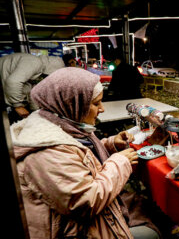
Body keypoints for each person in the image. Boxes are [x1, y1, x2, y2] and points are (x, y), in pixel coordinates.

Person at [11, 67, 160, 238]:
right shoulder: (45, 152)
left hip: (79, 222)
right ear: (71, 103)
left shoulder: (59, 121)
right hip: (75, 231)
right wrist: (119, 162)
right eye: (96, 103)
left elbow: (78, 154)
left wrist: (111, 145)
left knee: (145, 206)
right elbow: (85, 201)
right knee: (152, 231)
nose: (102, 109)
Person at [0, 52, 64, 123]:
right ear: (50, 70)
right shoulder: (34, 63)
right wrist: (18, 106)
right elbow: (13, 82)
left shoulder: (37, 73)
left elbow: (31, 92)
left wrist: (36, 112)